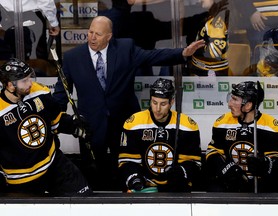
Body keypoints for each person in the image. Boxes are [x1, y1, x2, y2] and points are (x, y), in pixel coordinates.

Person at [52, 16, 205, 191]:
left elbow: (152, 56)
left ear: (109, 36)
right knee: (93, 175)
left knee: (127, 171)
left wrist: (182, 53)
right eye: (90, 32)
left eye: (98, 34)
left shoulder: (125, 48)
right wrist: (57, 121)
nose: (92, 37)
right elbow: (61, 93)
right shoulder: (73, 57)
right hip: (91, 127)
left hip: (125, 125)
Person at [0, 58, 92, 196]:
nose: (30, 82)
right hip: (21, 178)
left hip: (53, 163)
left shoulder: (39, 91)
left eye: (30, 77)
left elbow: (56, 120)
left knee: (84, 199)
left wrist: (73, 124)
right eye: (24, 81)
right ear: (10, 85)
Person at [118, 78, 202, 192]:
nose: (157, 109)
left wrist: (181, 172)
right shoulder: (133, 123)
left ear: (171, 102)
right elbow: (127, 161)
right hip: (144, 187)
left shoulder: (187, 125)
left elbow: (194, 163)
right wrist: (134, 178)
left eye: (163, 104)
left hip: (175, 188)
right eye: (154, 102)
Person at [206, 81, 278, 192]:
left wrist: (265, 165)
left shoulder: (273, 127)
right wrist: (225, 168)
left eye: (235, 100)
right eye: (231, 98)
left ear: (248, 105)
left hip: (263, 187)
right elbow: (212, 152)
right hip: (231, 184)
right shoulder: (222, 122)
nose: (229, 104)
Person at [183, 0, 230, 76]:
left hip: (210, 71)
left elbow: (215, 51)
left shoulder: (217, 21)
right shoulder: (211, 16)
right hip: (206, 69)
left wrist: (195, 49)